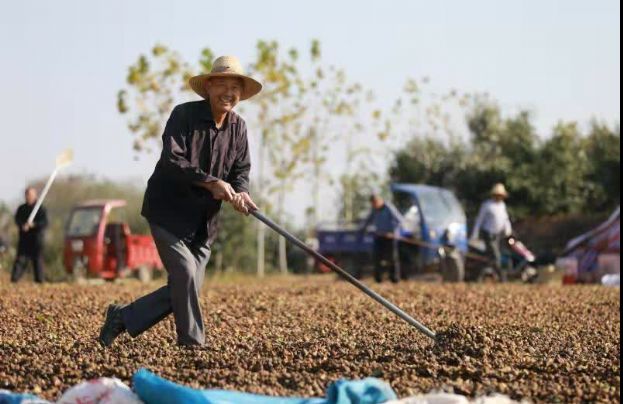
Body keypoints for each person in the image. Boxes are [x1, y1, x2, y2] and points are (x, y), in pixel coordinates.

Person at [98, 56, 261, 347]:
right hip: (168, 213)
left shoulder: (239, 128)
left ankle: (123, 318)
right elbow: (173, 160)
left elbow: (241, 170)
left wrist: (241, 191)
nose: (228, 92)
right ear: (208, 87)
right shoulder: (183, 116)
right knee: (185, 275)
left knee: (185, 288)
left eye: (235, 87)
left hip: (204, 224)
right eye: (221, 84)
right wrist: (211, 182)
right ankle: (193, 345)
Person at [470, 183, 512, 281]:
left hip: (498, 235)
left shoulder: (502, 206)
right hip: (488, 234)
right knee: (495, 256)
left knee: (492, 257)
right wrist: (474, 234)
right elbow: (479, 220)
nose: (499, 197)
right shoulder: (487, 205)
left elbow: (505, 219)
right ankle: (502, 278)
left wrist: (508, 230)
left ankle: (483, 275)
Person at [360, 193, 403, 283]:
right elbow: (368, 221)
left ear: (380, 200)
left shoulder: (389, 208)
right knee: (376, 257)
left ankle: (394, 278)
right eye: (373, 203)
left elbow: (400, 220)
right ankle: (378, 279)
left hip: (390, 236)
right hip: (379, 236)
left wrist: (393, 232)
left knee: (392, 258)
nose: (374, 205)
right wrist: (362, 229)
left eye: (375, 202)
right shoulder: (374, 210)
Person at [11, 187, 48, 283]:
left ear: (35, 195)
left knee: (37, 261)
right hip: (24, 239)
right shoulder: (21, 208)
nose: (29, 197)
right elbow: (17, 220)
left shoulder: (40, 209)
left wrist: (33, 225)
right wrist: (22, 225)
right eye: (27, 195)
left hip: (36, 239)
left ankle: (40, 280)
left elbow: (44, 223)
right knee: (21, 260)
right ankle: (14, 280)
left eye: (31, 195)